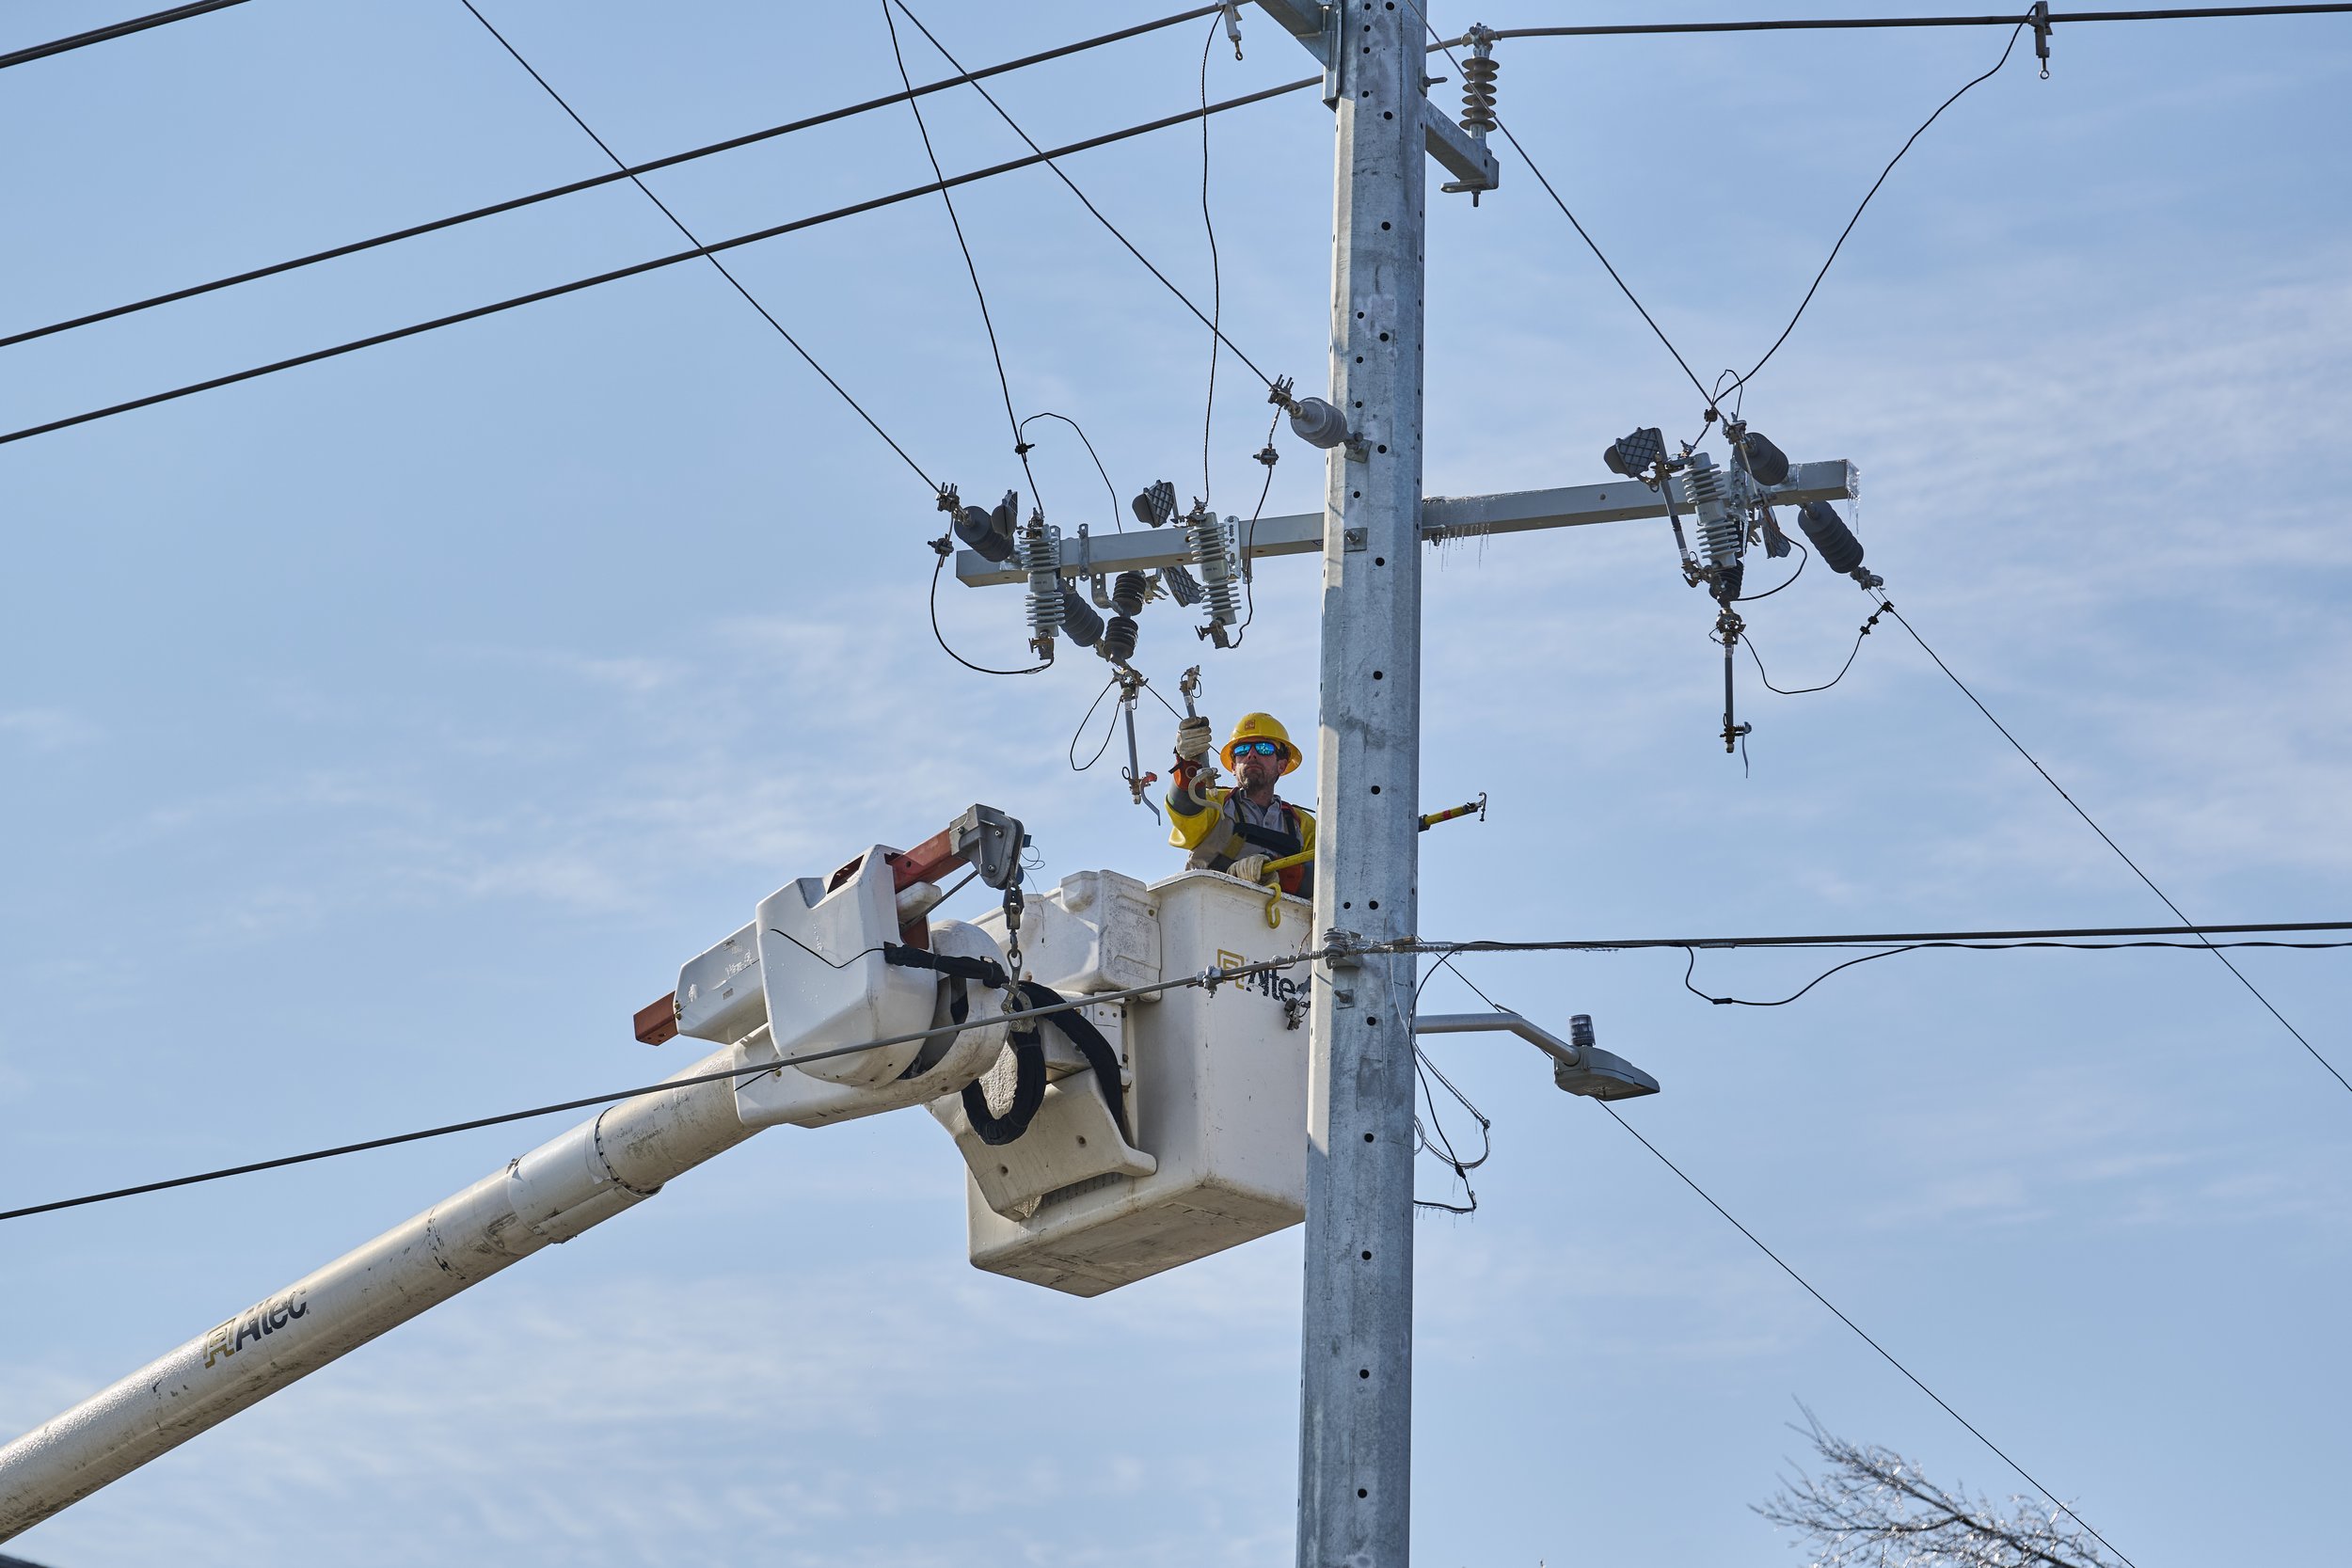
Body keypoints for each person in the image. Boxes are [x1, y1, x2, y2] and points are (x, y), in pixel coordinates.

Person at [1166, 711, 1316, 896]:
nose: (1252, 755)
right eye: (1242, 750)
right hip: (1209, 908)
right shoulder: (1216, 805)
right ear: (1233, 766)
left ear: (1281, 765)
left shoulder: (1301, 824)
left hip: (1280, 919)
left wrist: (1277, 873)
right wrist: (1187, 765)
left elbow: (1327, 874)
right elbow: (1185, 810)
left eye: (1264, 748)